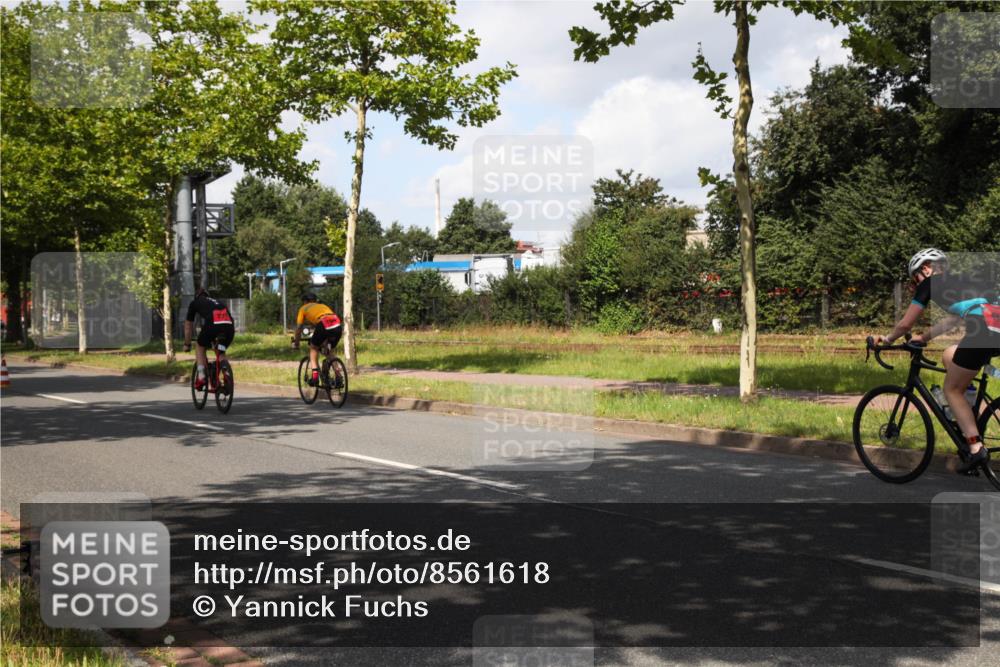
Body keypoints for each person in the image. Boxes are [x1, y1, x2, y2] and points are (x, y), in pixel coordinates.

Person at [877, 248, 1000, 473]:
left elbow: (905, 325)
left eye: (916, 278)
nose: (916, 283)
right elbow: (952, 320)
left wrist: (886, 340)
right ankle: (968, 415)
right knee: (949, 355)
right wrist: (923, 338)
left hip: (982, 330)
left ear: (926, 268)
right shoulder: (963, 280)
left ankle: (975, 449)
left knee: (951, 389)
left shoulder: (930, 283)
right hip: (996, 327)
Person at [183, 288, 235, 390]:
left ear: (197, 296)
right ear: (207, 296)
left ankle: (201, 376)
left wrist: (187, 344)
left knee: (200, 345)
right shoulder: (218, 302)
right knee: (221, 351)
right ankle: (226, 374)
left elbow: (188, 325)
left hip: (214, 324)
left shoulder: (195, 303)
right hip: (229, 327)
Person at [291, 292, 342, 387]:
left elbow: (298, 328)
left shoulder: (303, 308)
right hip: (337, 324)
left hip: (323, 324)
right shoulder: (322, 305)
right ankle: (339, 377)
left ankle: (315, 377)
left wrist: (296, 343)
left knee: (313, 347)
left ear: (305, 301)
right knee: (329, 352)